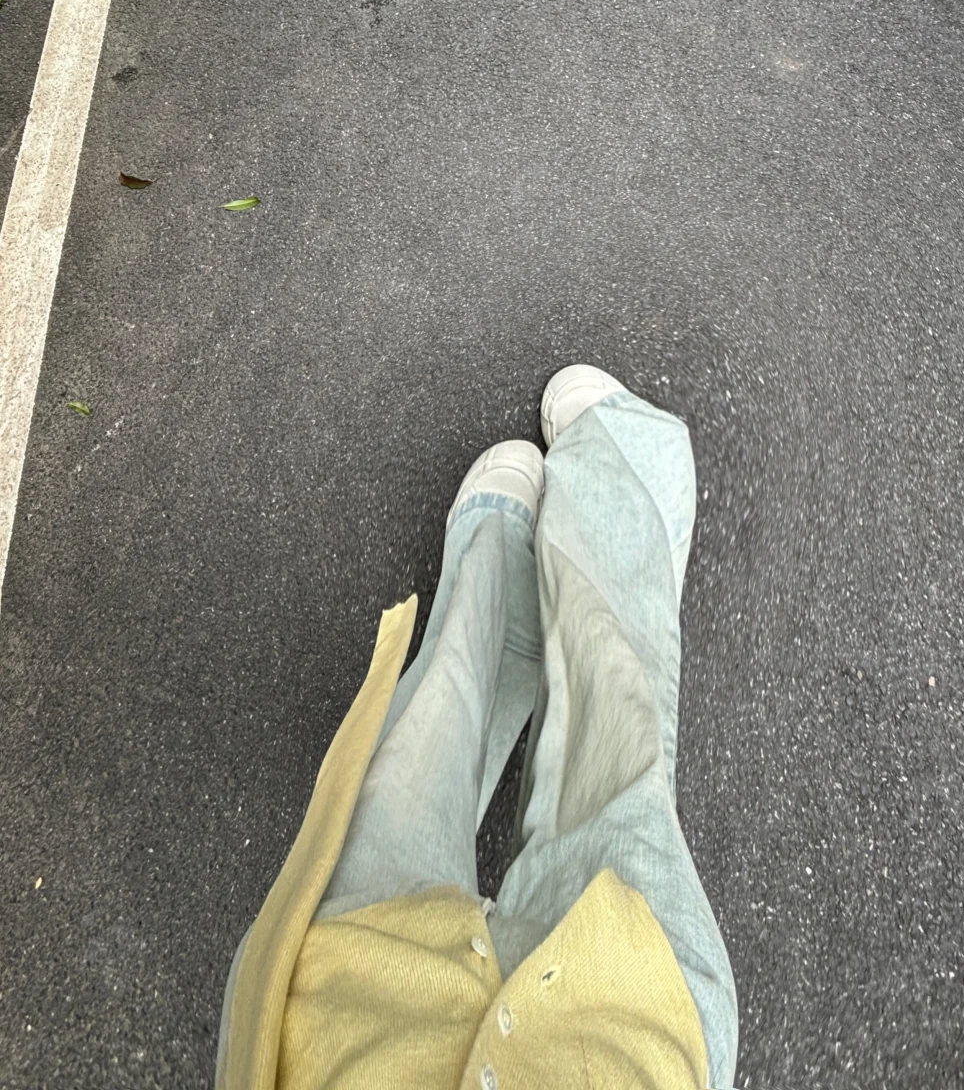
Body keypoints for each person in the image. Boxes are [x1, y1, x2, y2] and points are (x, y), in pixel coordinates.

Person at [215, 365, 739, 1089]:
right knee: (615, 731)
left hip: (352, 1022)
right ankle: (609, 495)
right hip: (633, 1034)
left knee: (421, 747)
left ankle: (498, 570)